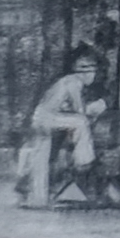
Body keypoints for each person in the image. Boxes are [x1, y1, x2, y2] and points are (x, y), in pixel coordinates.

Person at [21, 54, 101, 207]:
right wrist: (96, 107)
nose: (93, 76)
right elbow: (79, 110)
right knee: (81, 122)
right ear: (83, 73)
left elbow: (65, 106)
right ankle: (84, 158)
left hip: (41, 118)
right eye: (91, 72)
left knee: (41, 158)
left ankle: (38, 199)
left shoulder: (66, 82)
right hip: (47, 118)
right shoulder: (73, 82)